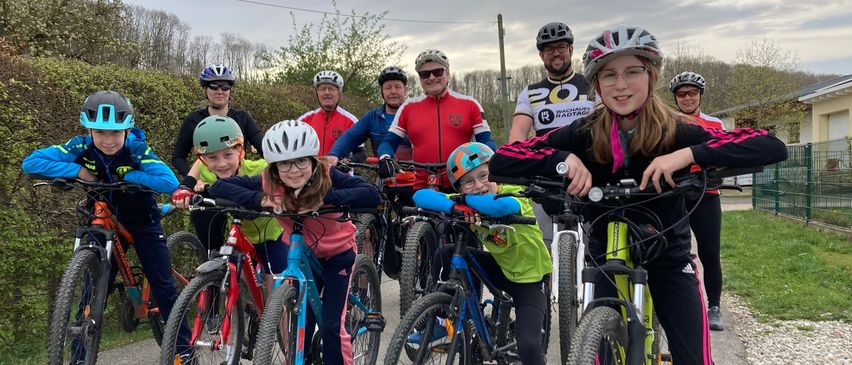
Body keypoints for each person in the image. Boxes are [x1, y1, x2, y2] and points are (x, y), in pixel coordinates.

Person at [490, 25, 787, 364]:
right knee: (596, 353)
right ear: (597, 83)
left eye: (633, 71)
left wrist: (687, 155)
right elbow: (504, 157)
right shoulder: (583, 132)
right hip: (604, 255)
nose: (621, 84)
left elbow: (770, 145)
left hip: (667, 255)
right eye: (609, 74)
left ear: (652, 75)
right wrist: (562, 160)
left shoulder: (676, 129)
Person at [22, 90, 189, 360]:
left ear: (128, 129)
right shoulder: (79, 146)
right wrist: (77, 171)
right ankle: (79, 357)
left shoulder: (136, 149)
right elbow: (31, 162)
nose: (108, 140)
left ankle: (185, 352)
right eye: (100, 132)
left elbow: (169, 183)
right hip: (101, 218)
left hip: (141, 220)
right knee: (90, 290)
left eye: (116, 133)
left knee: (163, 287)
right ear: (88, 129)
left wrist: (130, 174)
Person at [207, 120, 381, 365]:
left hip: (338, 255)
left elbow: (372, 194)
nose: (294, 170)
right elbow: (220, 186)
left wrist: (324, 198)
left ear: (312, 159)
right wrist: (260, 199)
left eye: (301, 161)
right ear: (274, 167)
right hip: (301, 256)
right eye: (284, 164)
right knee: (302, 323)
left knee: (332, 327)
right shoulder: (270, 181)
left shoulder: (327, 174)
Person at [410, 142, 551, 365]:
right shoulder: (465, 202)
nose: (478, 185)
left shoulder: (514, 191)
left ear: (497, 174)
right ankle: (444, 318)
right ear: (459, 187)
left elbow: (499, 208)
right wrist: (455, 208)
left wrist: (465, 201)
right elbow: (420, 196)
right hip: (499, 268)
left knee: (530, 349)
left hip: (530, 279)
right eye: (468, 182)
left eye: (484, 176)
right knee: (447, 253)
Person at [510, 21, 596, 247]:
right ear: (541, 55)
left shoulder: (593, 85)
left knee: (596, 251)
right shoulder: (531, 92)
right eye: (549, 49)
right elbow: (518, 135)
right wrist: (520, 163)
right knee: (547, 253)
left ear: (571, 50)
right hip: (549, 177)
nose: (555, 53)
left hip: (591, 174)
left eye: (561, 47)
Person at [170, 116, 284, 286]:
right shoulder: (205, 168)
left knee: (273, 293)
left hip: (272, 236)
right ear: (204, 159)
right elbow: (196, 168)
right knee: (239, 284)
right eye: (213, 158)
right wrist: (185, 188)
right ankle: (241, 310)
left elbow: (281, 170)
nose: (221, 164)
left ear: (240, 151)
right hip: (241, 237)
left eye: (228, 154)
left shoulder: (258, 168)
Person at [173, 64, 265, 252]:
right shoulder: (193, 119)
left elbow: (265, 148)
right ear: (205, 90)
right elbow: (178, 157)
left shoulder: (242, 118)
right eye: (213, 86)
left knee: (252, 241)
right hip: (208, 185)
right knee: (211, 243)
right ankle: (213, 276)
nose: (220, 91)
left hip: (239, 182)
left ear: (230, 90)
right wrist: (193, 180)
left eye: (225, 87)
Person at [377, 49, 496, 191]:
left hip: (465, 185)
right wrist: (385, 158)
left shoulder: (470, 104)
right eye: (425, 74)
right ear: (420, 78)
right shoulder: (408, 107)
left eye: (438, 72)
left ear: (448, 73)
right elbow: (389, 142)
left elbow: (486, 142)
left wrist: (495, 158)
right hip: (424, 186)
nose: (432, 77)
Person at [670, 71, 726, 331]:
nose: (688, 98)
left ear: (700, 95)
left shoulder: (714, 124)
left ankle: (714, 306)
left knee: (710, 253)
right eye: (682, 94)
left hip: (706, 195)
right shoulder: (668, 122)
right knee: (675, 254)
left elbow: (725, 154)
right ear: (676, 98)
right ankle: (681, 304)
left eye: (692, 92)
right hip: (676, 196)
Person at [327, 66, 413, 165]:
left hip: (416, 176)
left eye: (397, 87)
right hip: (384, 177)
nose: (393, 91)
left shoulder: (416, 114)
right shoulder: (373, 117)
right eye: (388, 87)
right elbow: (351, 136)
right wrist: (334, 154)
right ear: (382, 91)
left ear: (405, 90)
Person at [298, 70, 363, 160]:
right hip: (311, 173)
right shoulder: (303, 121)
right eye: (322, 89)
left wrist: (347, 162)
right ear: (317, 93)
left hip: (340, 173)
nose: (327, 92)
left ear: (339, 94)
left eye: (331, 89)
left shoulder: (351, 121)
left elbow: (360, 153)